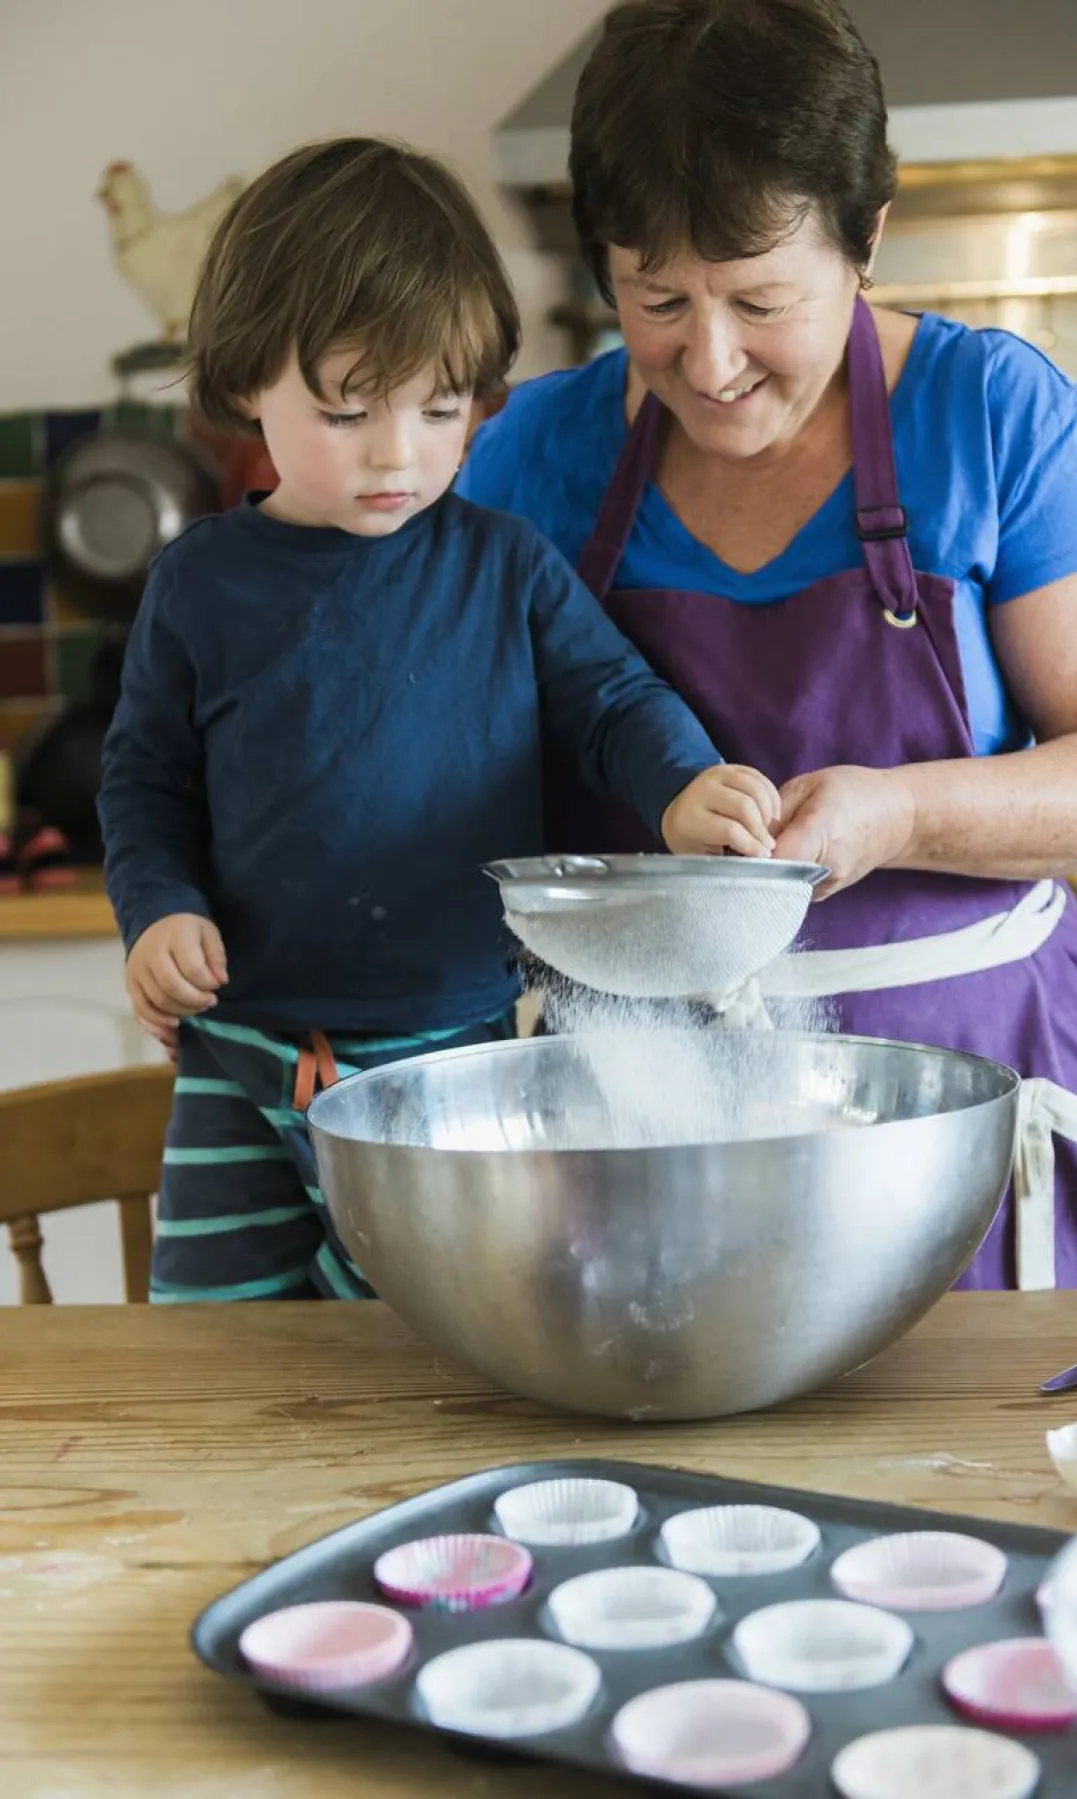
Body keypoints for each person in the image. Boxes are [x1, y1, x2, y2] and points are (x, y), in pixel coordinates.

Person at [459, 0, 1077, 1292]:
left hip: (973, 1124)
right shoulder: (534, 455)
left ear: (868, 242)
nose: (712, 358)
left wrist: (893, 813)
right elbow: (449, 775)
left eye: (760, 298)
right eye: (659, 298)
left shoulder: (992, 416)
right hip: (652, 1138)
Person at [99, 136, 780, 1305]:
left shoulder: (505, 565)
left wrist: (679, 784)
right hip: (238, 1056)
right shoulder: (198, 586)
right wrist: (155, 910)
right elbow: (143, 782)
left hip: (449, 1059)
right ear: (247, 379)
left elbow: (610, 701)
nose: (398, 455)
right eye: (348, 410)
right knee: (210, 1353)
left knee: (429, 1343)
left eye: (441, 410)